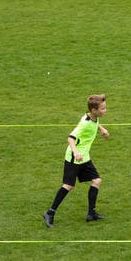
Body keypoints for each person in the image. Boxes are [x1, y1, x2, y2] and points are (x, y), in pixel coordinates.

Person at [43, 94, 110, 227]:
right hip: (74, 158)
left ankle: (91, 213)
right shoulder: (84, 124)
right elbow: (71, 138)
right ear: (94, 110)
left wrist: (101, 129)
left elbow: (94, 123)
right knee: (69, 186)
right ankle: (50, 213)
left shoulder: (92, 117)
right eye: (102, 109)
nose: (105, 111)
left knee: (97, 181)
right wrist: (75, 152)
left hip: (84, 157)